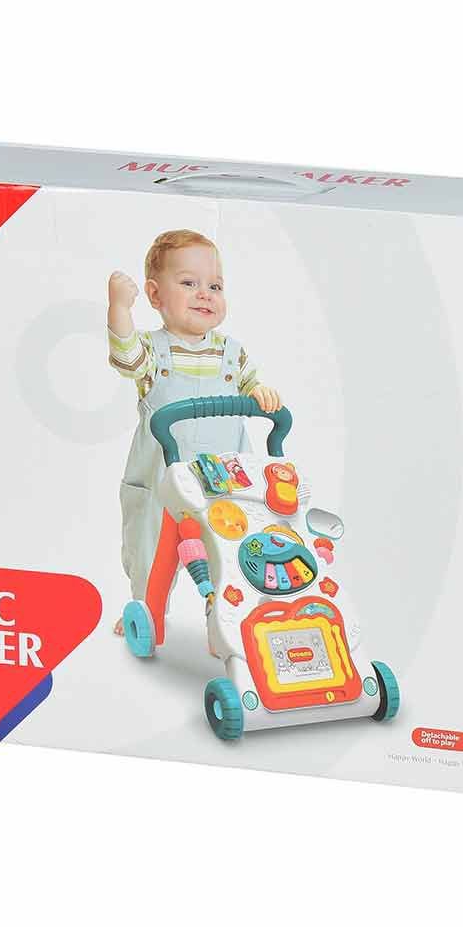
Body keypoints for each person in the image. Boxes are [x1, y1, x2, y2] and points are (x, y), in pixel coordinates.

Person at [107, 229, 281, 634]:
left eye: (215, 286)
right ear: (155, 295)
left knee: (235, 545)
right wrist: (119, 308)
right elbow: (126, 359)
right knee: (148, 545)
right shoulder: (152, 350)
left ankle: (232, 611)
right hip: (161, 478)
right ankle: (146, 608)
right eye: (189, 283)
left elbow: (249, 384)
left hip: (225, 479)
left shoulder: (232, 352)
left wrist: (260, 392)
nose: (205, 294)